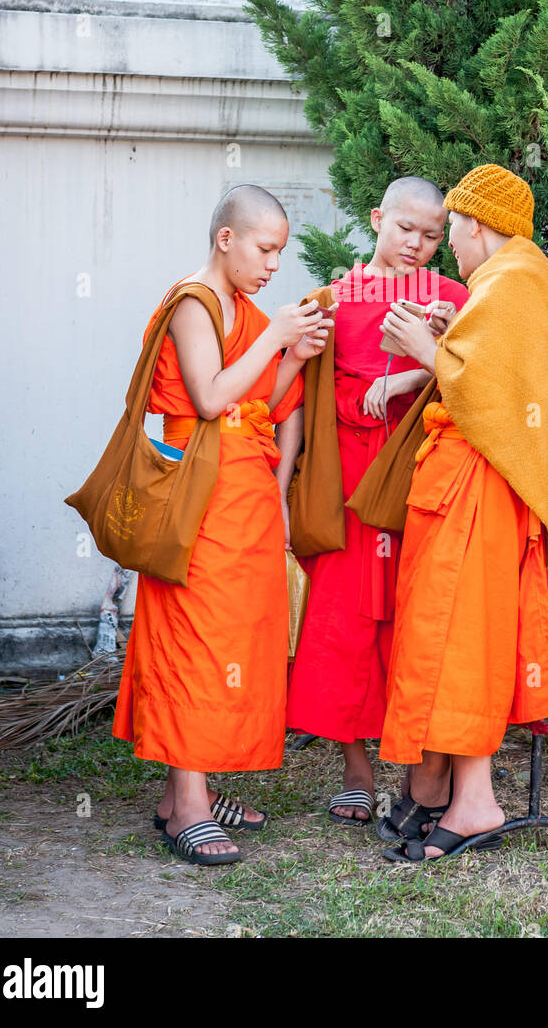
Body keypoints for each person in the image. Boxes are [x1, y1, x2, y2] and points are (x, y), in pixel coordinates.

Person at [112, 184, 332, 865]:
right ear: (226, 239)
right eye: (265, 249)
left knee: (234, 640)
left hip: (241, 490)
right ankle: (191, 808)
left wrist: (291, 356)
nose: (272, 265)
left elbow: (254, 404)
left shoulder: (240, 309)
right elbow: (208, 398)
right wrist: (276, 335)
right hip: (199, 490)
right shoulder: (193, 302)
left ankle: (185, 797)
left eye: (280, 253)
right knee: (194, 638)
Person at [370, 164, 548, 862]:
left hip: (480, 485)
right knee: (446, 634)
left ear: (474, 223)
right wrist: (446, 336)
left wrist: (422, 349)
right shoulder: (505, 279)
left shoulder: (516, 279)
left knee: (461, 639)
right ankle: (439, 789)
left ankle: (474, 800)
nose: (447, 244)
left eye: (450, 227)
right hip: (460, 484)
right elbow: (492, 370)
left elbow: (493, 397)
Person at [282, 177, 470, 825]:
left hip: (420, 488)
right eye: (404, 230)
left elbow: (477, 376)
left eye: (431, 235)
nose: (416, 245)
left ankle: (420, 774)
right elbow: (299, 403)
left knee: (413, 625)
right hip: (345, 492)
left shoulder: (453, 299)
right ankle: (356, 770)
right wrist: (284, 496)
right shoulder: (333, 300)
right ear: (376, 220)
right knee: (342, 626)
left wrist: (419, 368)